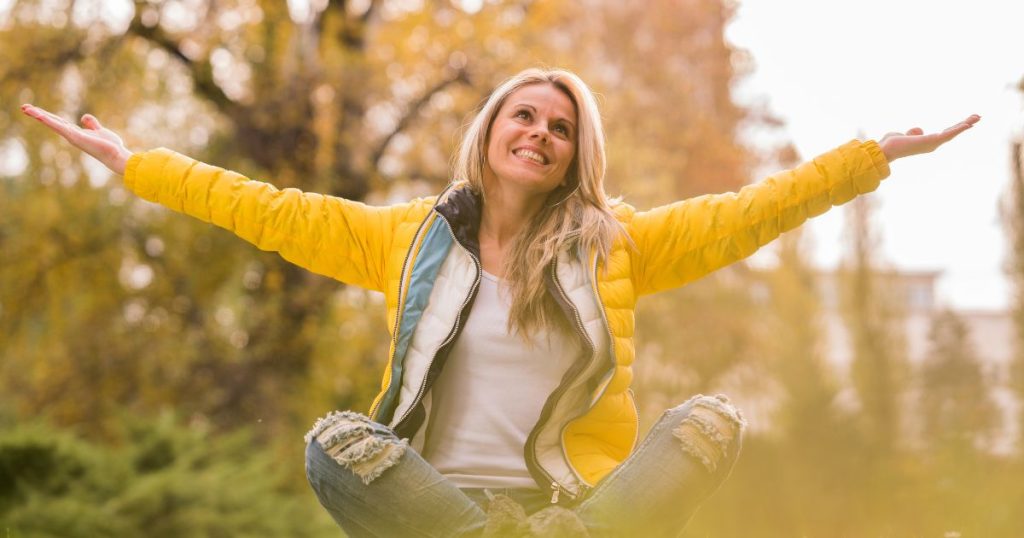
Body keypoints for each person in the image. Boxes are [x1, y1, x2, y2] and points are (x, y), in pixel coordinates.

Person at [21, 67, 979, 537]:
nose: (541, 132)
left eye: (561, 126)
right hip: (436, 508)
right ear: (490, 132)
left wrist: (870, 160)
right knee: (332, 442)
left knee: (710, 423)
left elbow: (749, 213)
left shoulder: (619, 245)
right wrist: (135, 164)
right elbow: (261, 208)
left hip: (574, 509)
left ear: (576, 154)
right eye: (524, 114)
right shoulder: (403, 240)